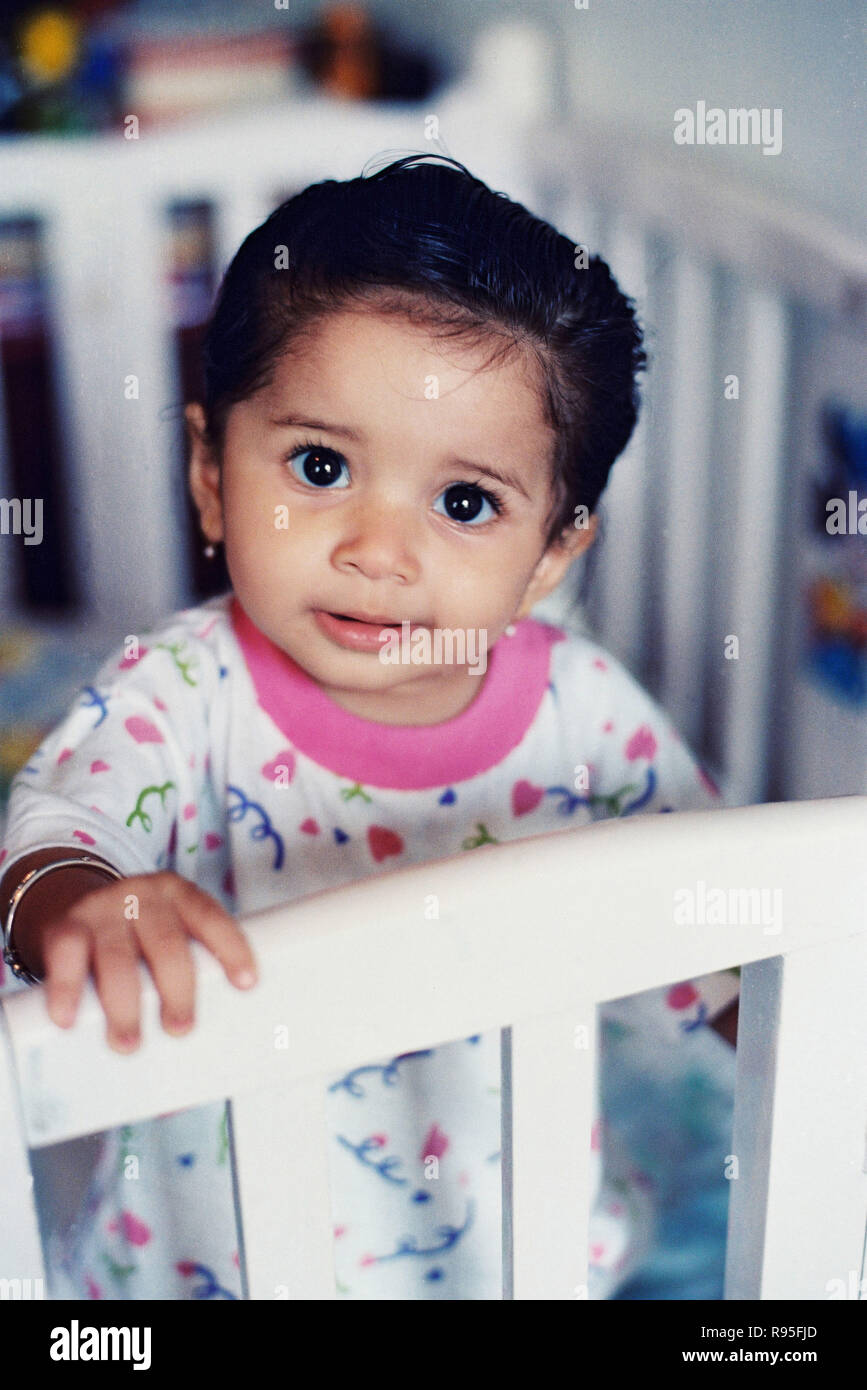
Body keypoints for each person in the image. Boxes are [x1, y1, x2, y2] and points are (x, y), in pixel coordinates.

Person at [0, 154, 737, 1300]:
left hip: (519, 1239)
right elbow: (60, 825)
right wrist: (80, 902)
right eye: (321, 465)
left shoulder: (586, 712)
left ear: (550, 556)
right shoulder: (181, 690)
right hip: (211, 1253)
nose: (378, 551)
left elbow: (725, 917)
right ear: (209, 472)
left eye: (464, 502)